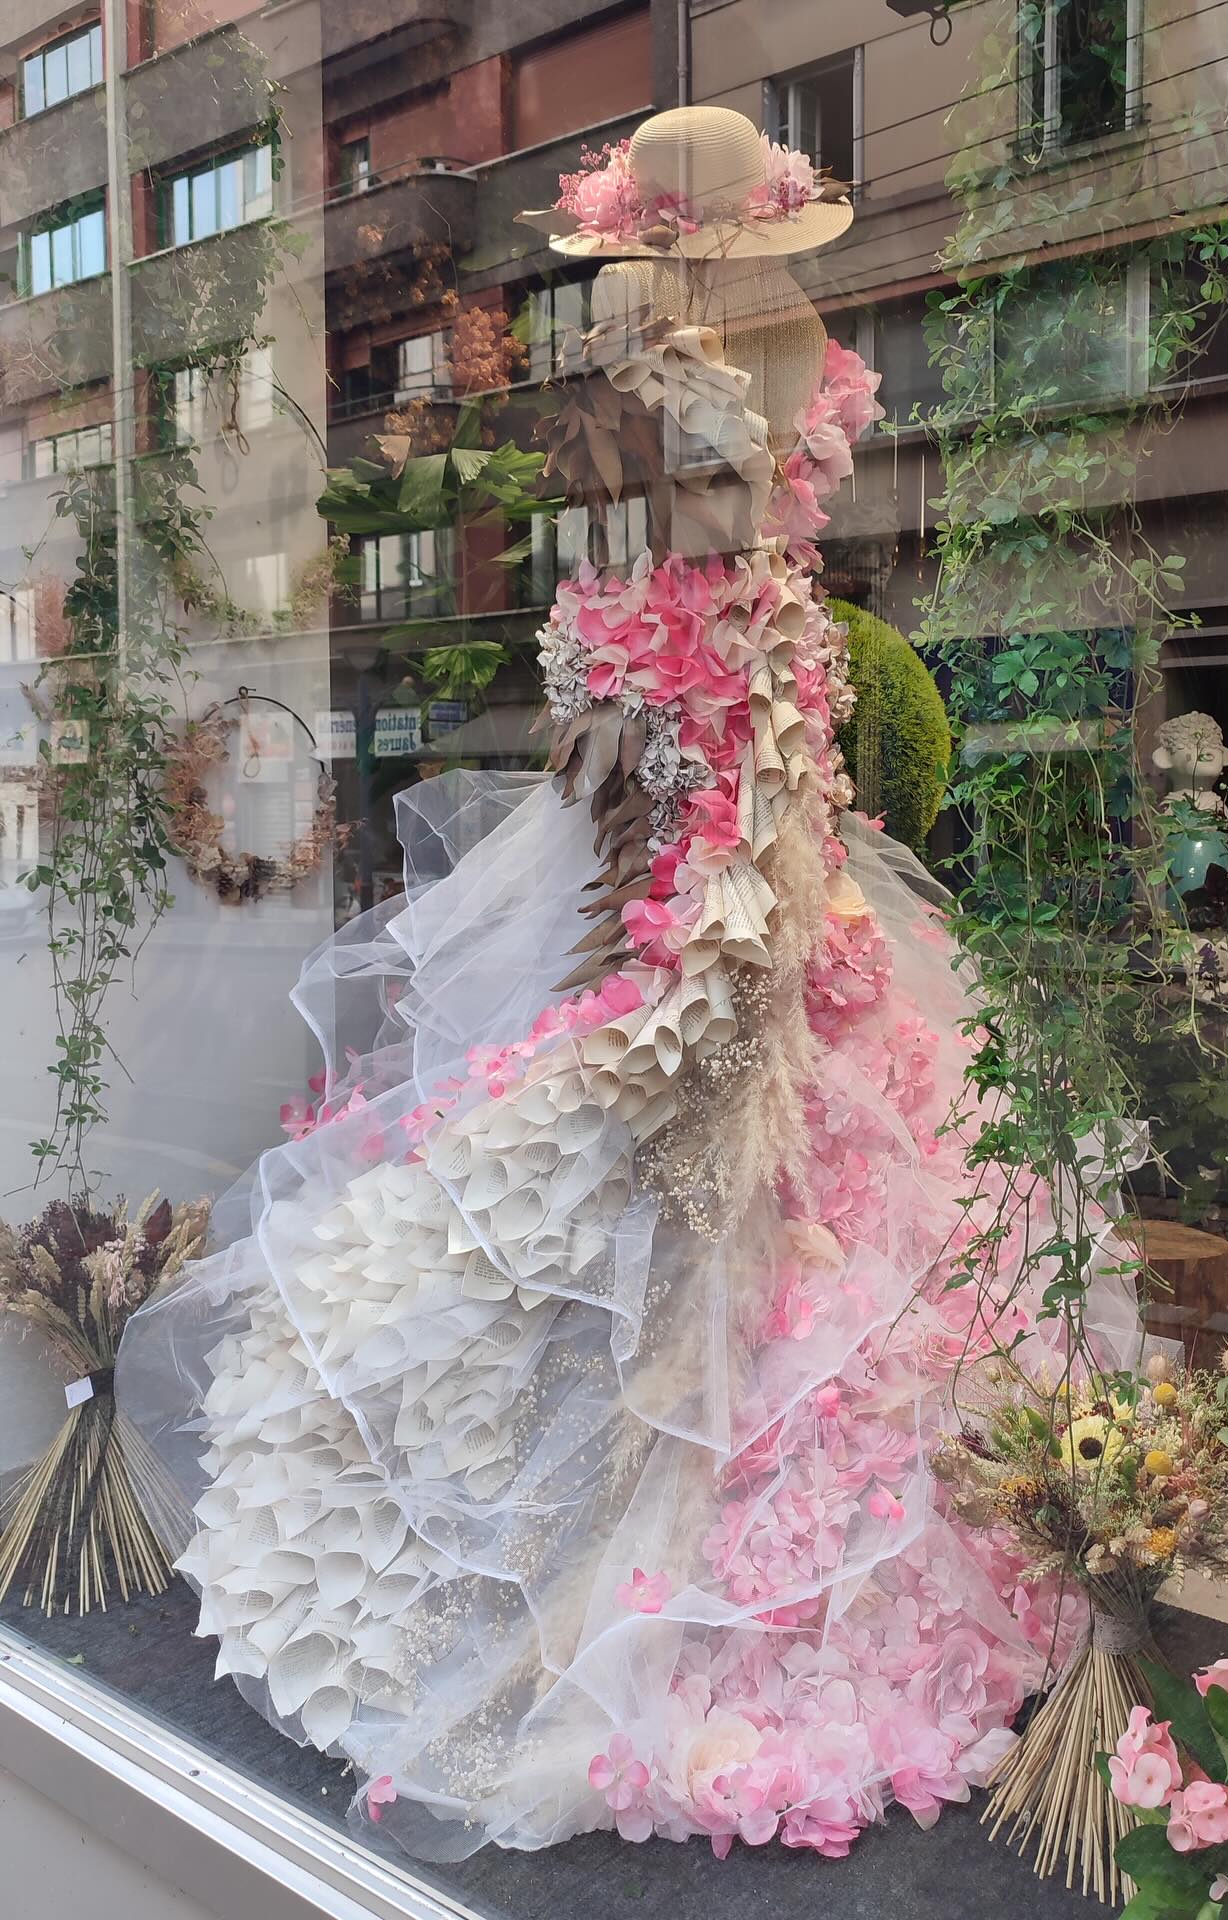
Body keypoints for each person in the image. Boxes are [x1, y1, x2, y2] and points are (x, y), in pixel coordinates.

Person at [119, 106, 1141, 1861]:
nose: (634, 290)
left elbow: (732, 583)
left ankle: (691, 1591)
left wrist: (722, 905)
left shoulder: (739, 371)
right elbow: (696, 598)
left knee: (769, 1207)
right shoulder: (700, 386)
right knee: (599, 1186)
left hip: (750, 741)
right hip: (711, 738)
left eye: (639, 250)